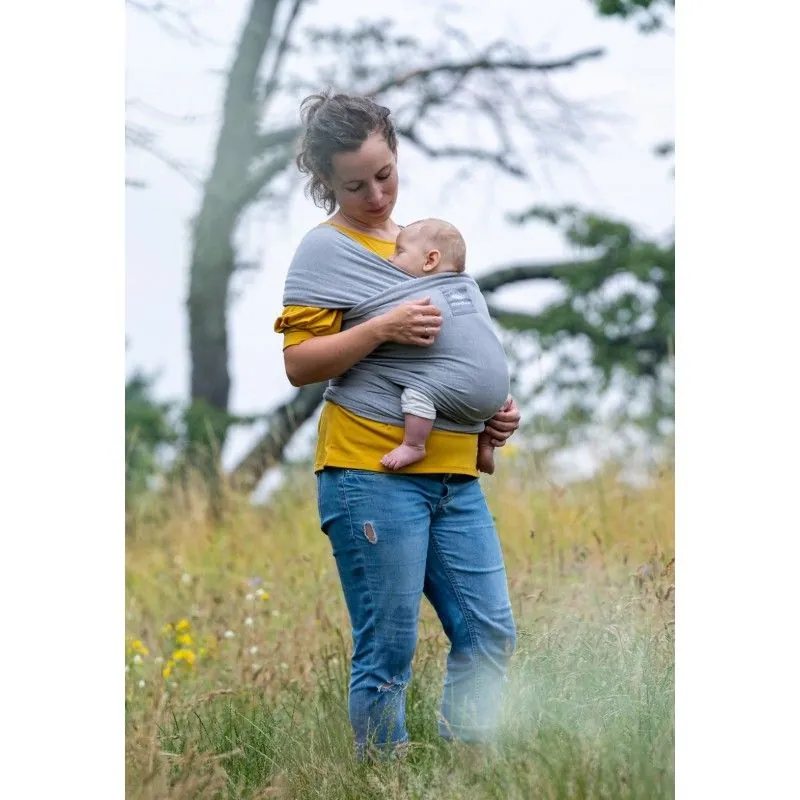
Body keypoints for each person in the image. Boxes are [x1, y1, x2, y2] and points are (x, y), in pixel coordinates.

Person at [275, 90, 521, 759]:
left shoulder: (424, 245)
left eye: (385, 176)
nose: (377, 196)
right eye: (355, 185)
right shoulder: (325, 250)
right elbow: (299, 363)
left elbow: (459, 347)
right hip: (370, 472)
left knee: (490, 632)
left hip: (454, 476)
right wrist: (382, 326)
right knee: (388, 646)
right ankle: (384, 776)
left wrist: (491, 415)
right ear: (325, 181)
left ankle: (468, 766)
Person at [381, 217, 505, 474]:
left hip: (458, 388)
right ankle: (485, 446)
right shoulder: (470, 291)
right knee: (497, 403)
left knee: (418, 392)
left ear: (430, 260)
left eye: (399, 252)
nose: (390, 260)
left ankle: (414, 445)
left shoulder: (422, 296)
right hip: (499, 390)